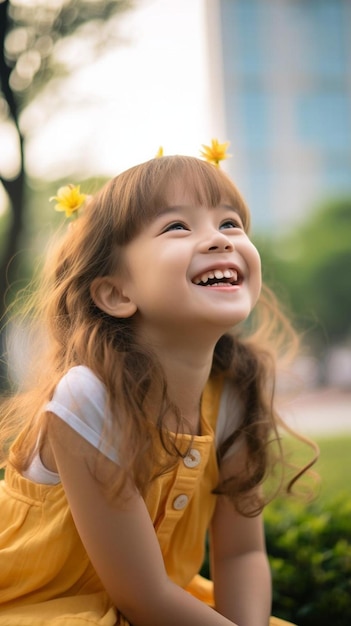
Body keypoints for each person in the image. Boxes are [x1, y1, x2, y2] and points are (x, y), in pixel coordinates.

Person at [0, 154, 317, 625]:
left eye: (230, 223)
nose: (218, 238)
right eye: (176, 228)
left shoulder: (232, 390)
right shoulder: (88, 396)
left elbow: (241, 556)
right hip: (45, 608)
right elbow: (141, 595)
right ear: (116, 293)